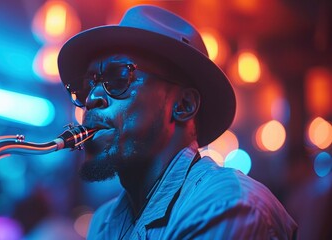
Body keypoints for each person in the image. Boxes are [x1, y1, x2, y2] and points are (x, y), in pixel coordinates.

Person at [57, 5, 298, 240]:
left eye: (119, 76)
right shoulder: (103, 221)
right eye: (89, 84)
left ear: (184, 105)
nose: (91, 98)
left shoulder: (226, 207)